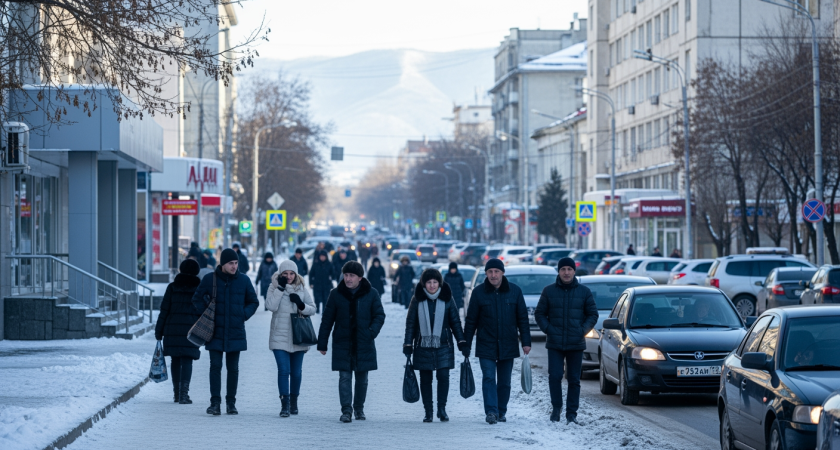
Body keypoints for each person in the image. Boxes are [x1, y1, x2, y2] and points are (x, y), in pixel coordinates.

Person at [463, 258, 531, 425]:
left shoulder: (515, 291)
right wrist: (466, 343)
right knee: (488, 378)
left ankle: (501, 411)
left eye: (496, 271)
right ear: (486, 273)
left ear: (502, 273)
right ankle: (491, 412)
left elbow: (522, 319)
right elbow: (471, 320)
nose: (493, 275)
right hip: (486, 343)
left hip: (508, 343)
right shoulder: (478, 293)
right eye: (490, 272)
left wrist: (526, 341)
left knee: (504, 382)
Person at [317, 261, 386, 423]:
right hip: (343, 343)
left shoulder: (371, 293)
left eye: (352, 276)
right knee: (344, 377)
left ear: (360, 277)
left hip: (364, 342)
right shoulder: (336, 294)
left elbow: (379, 315)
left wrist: (371, 332)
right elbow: (327, 319)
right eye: (346, 275)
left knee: (362, 379)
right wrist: (322, 343)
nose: (348, 279)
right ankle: (346, 410)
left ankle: (359, 408)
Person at [192, 248, 260, 416]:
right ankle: (215, 403)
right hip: (214, 331)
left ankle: (231, 403)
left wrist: (243, 314)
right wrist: (206, 313)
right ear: (222, 264)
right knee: (215, 367)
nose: (234, 266)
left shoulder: (244, 280)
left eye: (236, 263)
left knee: (233, 368)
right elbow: (196, 298)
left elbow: (254, 302)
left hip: (235, 331)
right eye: (231, 263)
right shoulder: (210, 279)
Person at [534, 257, 598, 424]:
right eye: (563, 269)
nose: (566, 272)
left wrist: (582, 331)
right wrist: (548, 329)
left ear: (574, 271)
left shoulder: (584, 292)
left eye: (569, 269)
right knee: (555, 376)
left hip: (576, 343)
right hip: (555, 343)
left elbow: (592, 314)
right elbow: (539, 313)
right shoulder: (549, 291)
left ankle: (571, 414)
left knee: (574, 379)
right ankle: (556, 408)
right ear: (559, 271)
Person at [403, 269, 466, 422]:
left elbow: (455, 322)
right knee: (426, 379)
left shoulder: (447, 298)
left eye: (435, 282)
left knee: (443, 377)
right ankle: (428, 411)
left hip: (444, 344)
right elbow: (411, 324)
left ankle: (441, 409)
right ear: (424, 283)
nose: (432, 285)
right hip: (422, 346)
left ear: (439, 283)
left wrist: (461, 341)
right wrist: (408, 343)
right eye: (429, 282)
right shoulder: (417, 299)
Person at [266, 259, 317, 417]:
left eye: (291, 273)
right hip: (279, 336)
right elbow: (270, 306)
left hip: (298, 335)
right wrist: (280, 289)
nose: (288, 276)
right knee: (284, 370)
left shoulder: (301, 288)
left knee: (296, 373)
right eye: (285, 273)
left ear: (296, 274)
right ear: (280, 274)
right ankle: (285, 405)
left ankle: (294, 402)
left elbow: (312, 309)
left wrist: (301, 305)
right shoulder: (274, 286)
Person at [155, 259, 202, 405]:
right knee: (187, 359)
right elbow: (203, 310)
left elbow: (164, 310)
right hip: (191, 330)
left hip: (172, 328)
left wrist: (159, 330)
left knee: (175, 359)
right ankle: (183, 395)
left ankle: (176, 394)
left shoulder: (172, 287)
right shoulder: (199, 288)